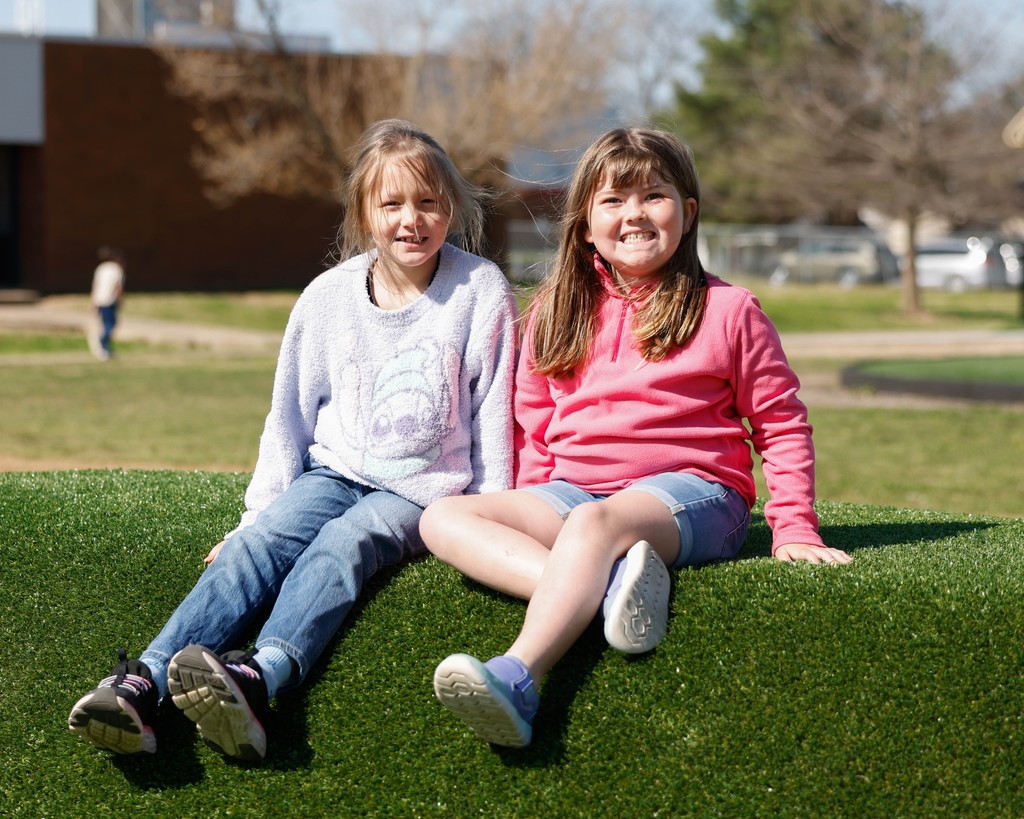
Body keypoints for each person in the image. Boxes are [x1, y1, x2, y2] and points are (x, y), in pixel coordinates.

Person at [67, 119, 518, 761]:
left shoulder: (481, 292)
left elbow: (496, 412)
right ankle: (142, 684)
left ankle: (258, 677)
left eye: (428, 202)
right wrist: (258, 515)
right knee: (257, 546)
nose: (411, 220)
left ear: (452, 207)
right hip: (331, 475)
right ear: (364, 212)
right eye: (391, 203)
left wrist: (490, 515)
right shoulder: (326, 299)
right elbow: (288, 420)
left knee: (345, 542)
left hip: (423, 494)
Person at [420, 127, 852, 749]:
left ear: (688, 212)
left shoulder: (730, 310)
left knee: (592, 531)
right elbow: (534, 423)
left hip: (695, 495)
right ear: (584, 224)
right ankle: (604, 592)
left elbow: (781, 424)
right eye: (613, 200)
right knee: (442, 519)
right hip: (575, 491)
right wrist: (538, 501)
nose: (634, 214)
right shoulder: (553, 311)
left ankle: (518, 678)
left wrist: (794, 527)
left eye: (654, 196)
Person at [88, 247, 125, 360]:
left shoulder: (101, 268)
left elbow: (96, 286)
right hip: (110, 300)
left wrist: (93, 302)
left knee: (105, 324)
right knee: (111, 324)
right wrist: (120, 300)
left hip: (99, 299)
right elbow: (117, 287)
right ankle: (101, 341)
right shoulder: (117, 269)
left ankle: (105, 348)